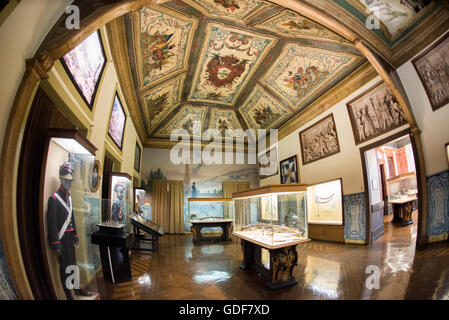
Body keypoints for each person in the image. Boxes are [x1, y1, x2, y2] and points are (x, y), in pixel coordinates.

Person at [47, 161, 93, 300]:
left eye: (70, 181)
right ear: (61, 179)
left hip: (70, 238)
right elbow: (51, 223)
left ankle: (77, 288)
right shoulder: (54, 199)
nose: (69, 183)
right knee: (65, 268)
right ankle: (69, 295)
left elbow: (71, 218)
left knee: (73, 265)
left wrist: (76, 235)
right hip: (61, 239)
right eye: (66, 180)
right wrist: (56, 243)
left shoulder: (69, 199)